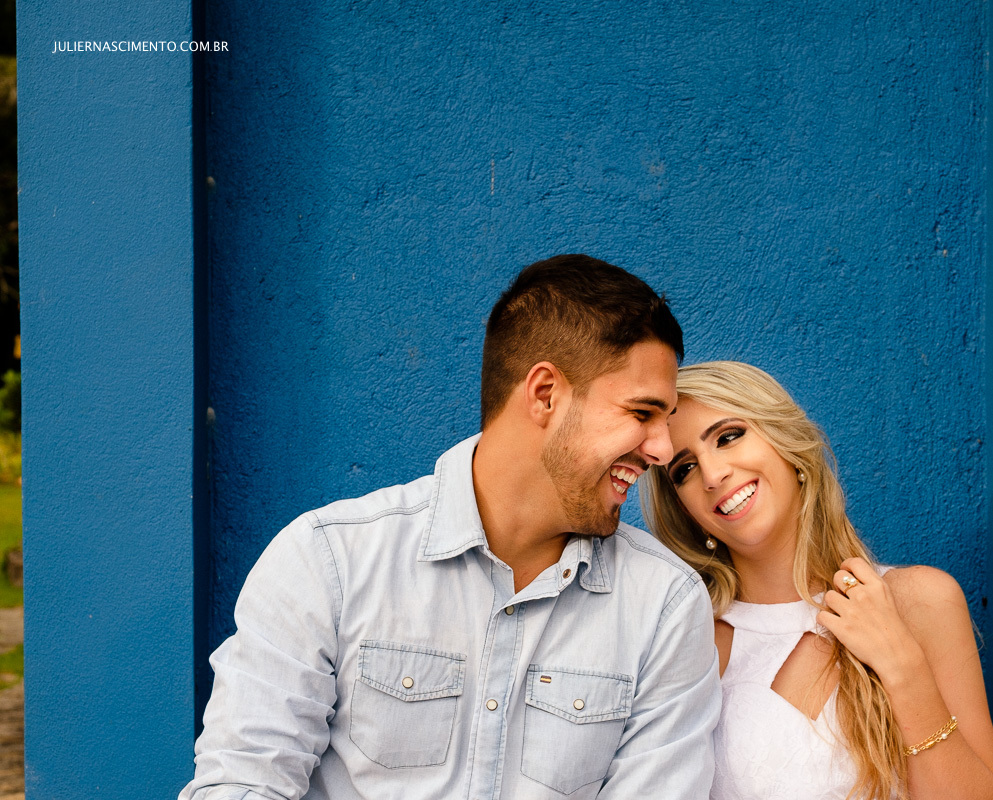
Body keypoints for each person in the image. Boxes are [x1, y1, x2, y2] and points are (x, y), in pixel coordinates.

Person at [180, 255, 722, 800]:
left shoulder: (664, 606)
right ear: (544, 395)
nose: (662, 449)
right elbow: (242, 784)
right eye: (642, 413)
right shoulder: (330, 562)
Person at [641, 361, 993, 800]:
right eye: (684, 469)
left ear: (786, 443)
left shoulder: (919, 600)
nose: (713, 474)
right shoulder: (692, 637)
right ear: (682, 508)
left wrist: (901, 666)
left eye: (728, 436)